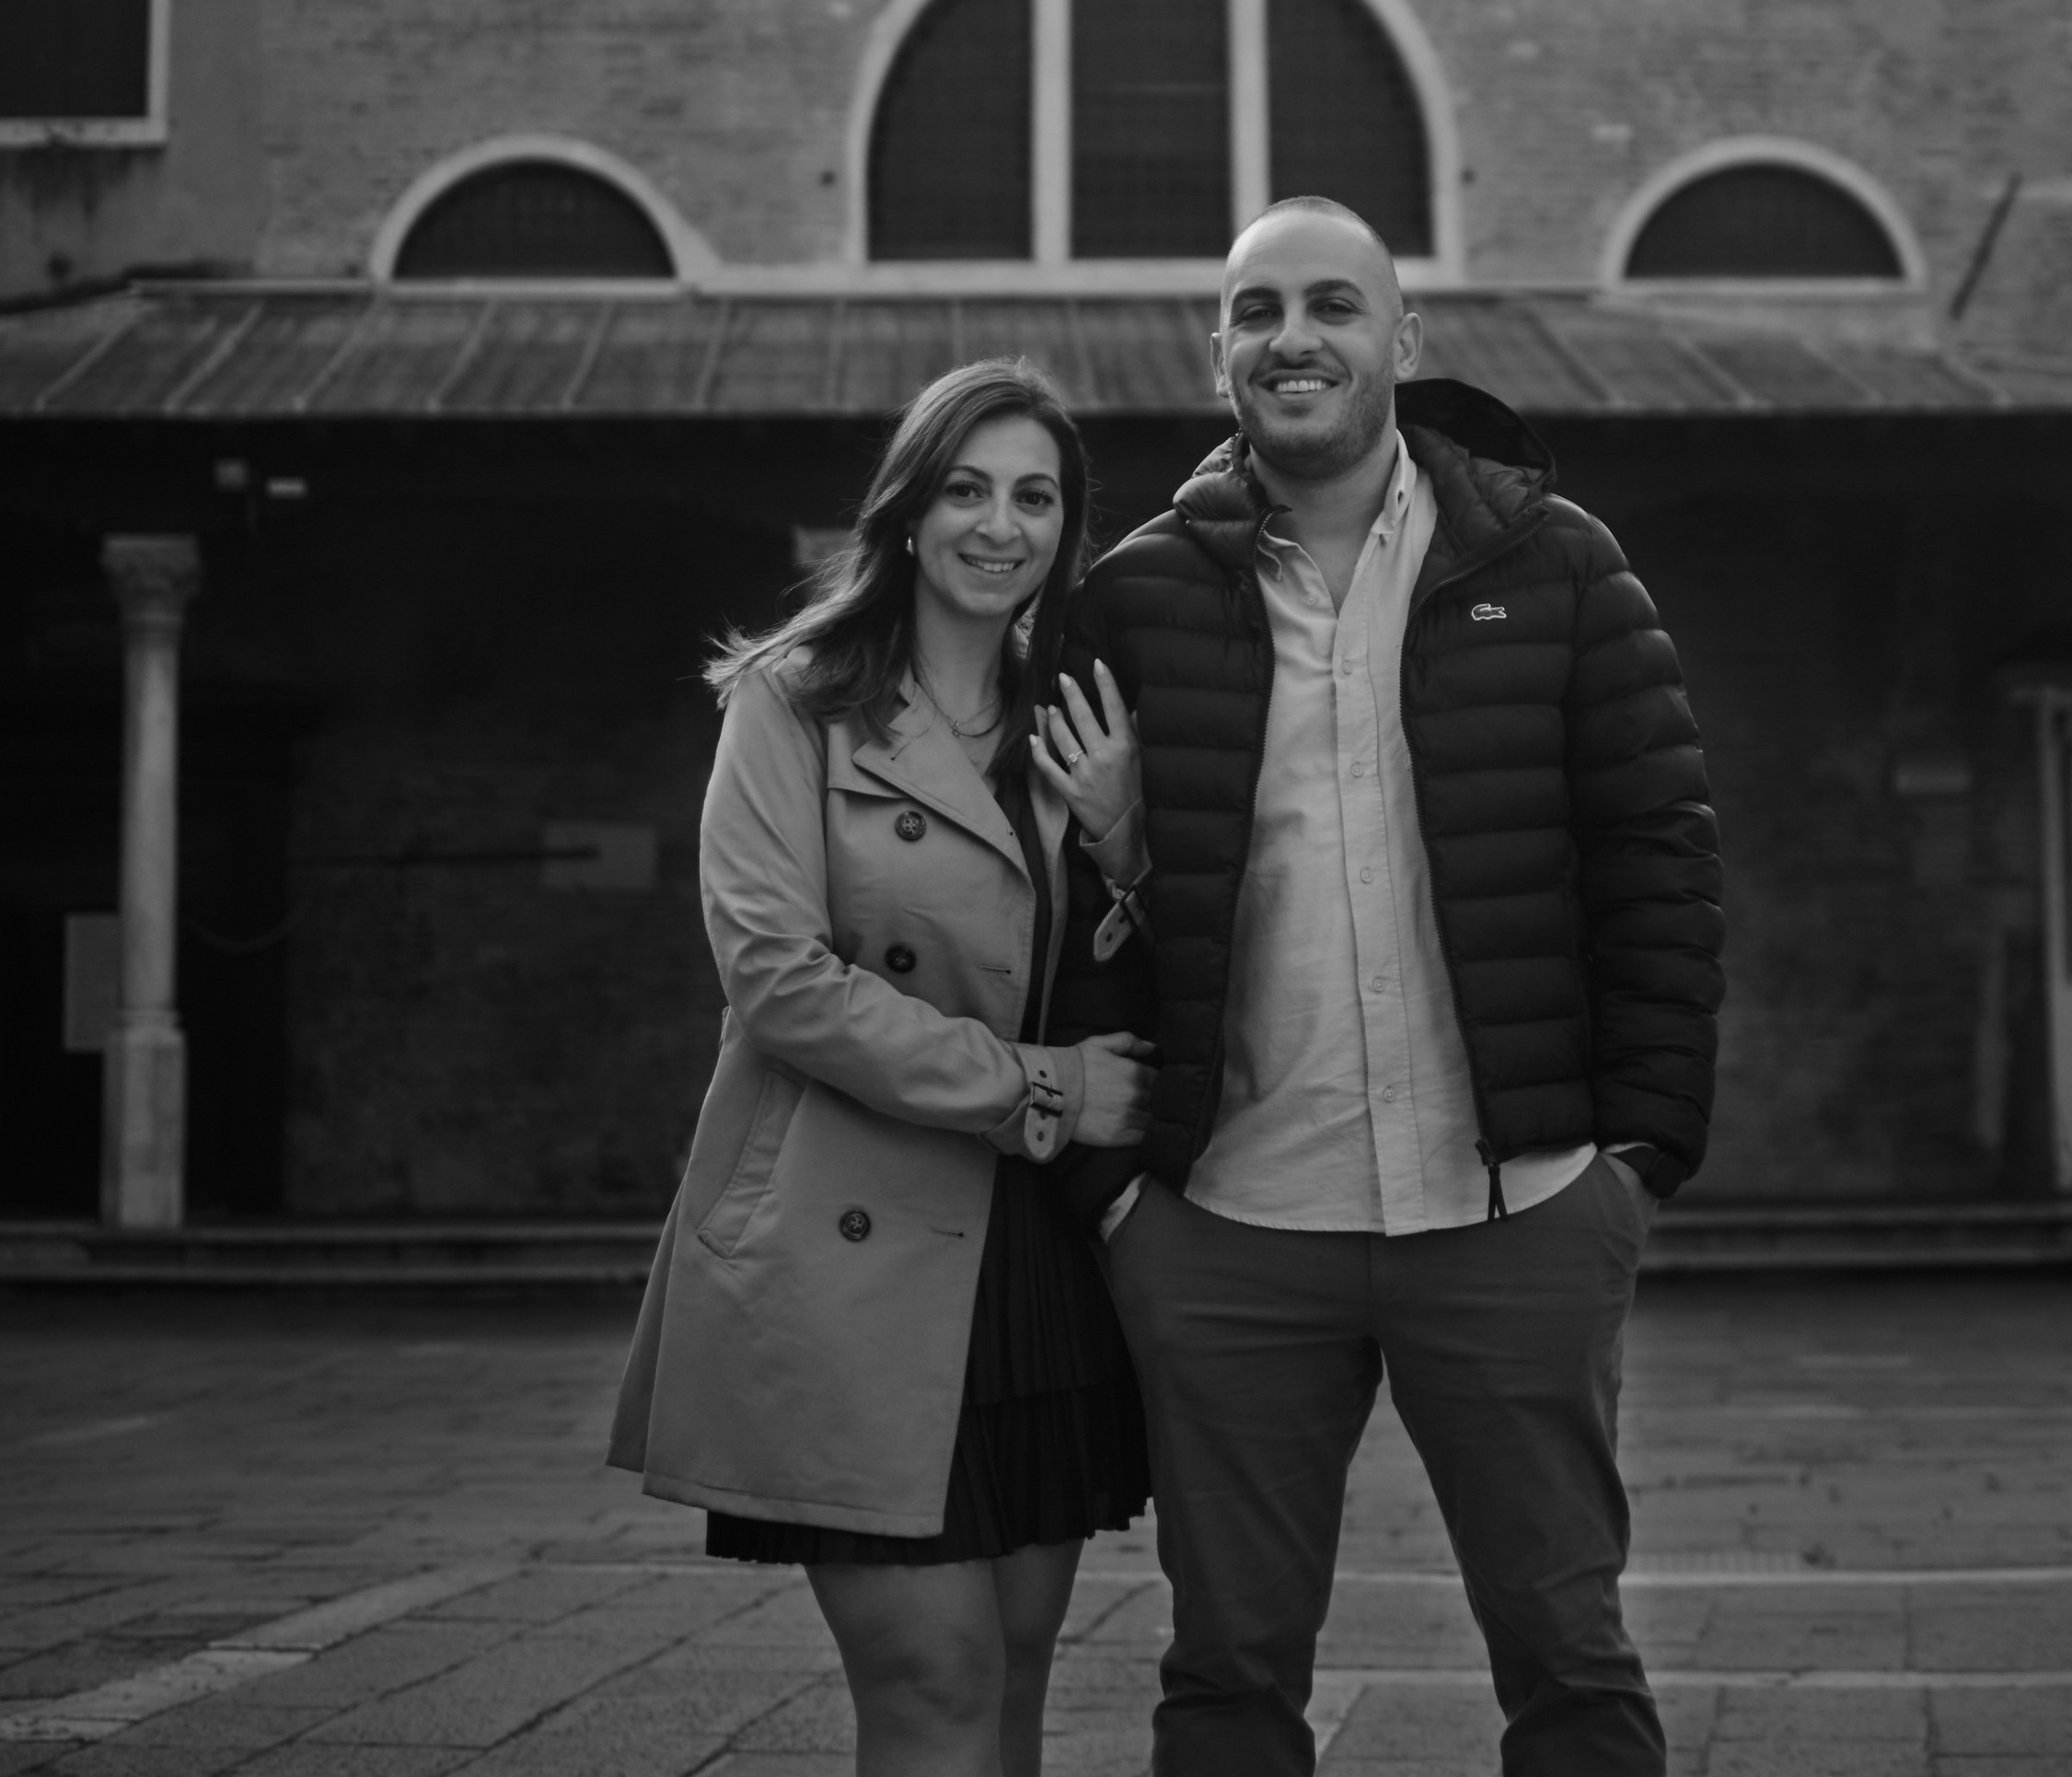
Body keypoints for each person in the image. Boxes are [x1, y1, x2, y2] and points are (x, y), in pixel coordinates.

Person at [1065, 197, 1726, 1777]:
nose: (1293, 338)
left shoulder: (1557, 564)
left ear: (1404, 340)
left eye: (1333, 306)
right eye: (1257, 310)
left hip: (1513, 1212)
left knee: (1569, 1660)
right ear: (1216, 351)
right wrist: (1122, 1196)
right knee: (1226, 1672)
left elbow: (1658, 854)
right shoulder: (1137, 597)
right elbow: (1050, 901)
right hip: (1229, 1222)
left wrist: (1634, 1158)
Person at [608, 359, 1155, 1777]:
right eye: (967, 489)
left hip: (1028, 1260)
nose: (1000, 525)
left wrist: (1126, 839)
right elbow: (780, 983)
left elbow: (1148, 968)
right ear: (908, 509)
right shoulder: (791, 701)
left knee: (1014, 1685)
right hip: (844, 1250)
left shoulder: (1077, 721)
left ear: (1066, 528)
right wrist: (1043, 1089)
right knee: (934, 1682)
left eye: (1035, 497)